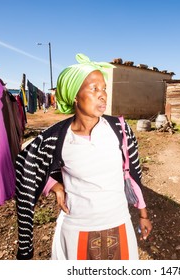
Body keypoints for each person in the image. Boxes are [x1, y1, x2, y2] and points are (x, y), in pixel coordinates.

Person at [15, 53, 152, 260]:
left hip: (119, 223)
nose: (102, 94)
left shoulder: (120, 129)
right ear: (75, 96)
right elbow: (26, 165)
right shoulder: (56, 137)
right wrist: (53, 185)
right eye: (94, 88)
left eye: (104, 88)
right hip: (76, 229)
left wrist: (143, 214)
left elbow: (134, 174)